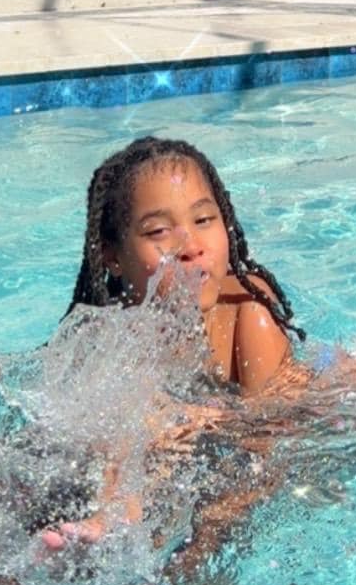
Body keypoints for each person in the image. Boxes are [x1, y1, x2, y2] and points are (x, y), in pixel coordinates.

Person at [64, 134, 304, 395]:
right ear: (112, 257)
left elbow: (279, 430)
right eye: (158, 231)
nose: (190, 247)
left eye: (202, 220)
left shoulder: (247, 309)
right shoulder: (101, 347)